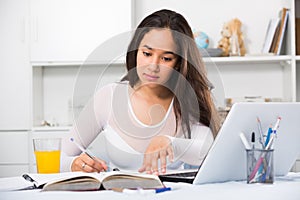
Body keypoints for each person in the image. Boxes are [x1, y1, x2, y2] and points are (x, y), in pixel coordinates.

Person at [61, 9, 220, 175]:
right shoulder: (108, 97)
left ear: (179, 63)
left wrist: (171, 143)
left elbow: (207, 150)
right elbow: (59, 156)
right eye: (147, 53)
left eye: (166, 58)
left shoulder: (186, 100)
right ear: (135, 51)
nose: (153, 66)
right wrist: (74, 164)